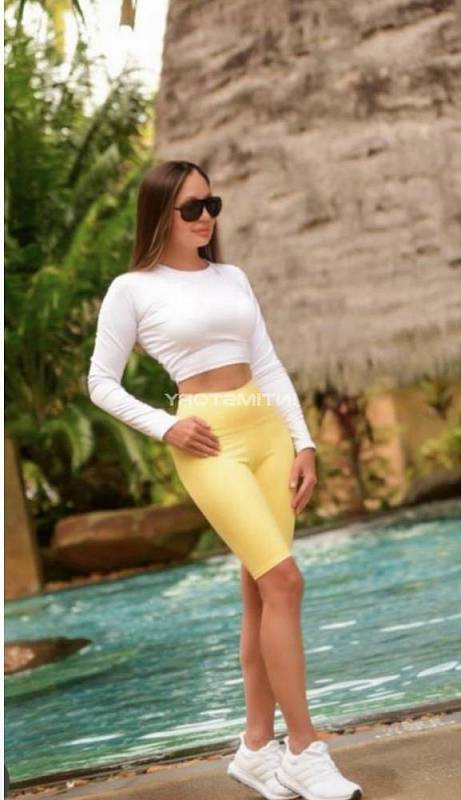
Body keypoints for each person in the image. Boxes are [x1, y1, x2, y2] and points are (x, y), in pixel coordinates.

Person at [87, 160, 362, 800]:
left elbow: (267, 363)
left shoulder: (232, 277)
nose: (206, 217)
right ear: (161, 214)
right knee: (284, 580)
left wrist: (304, 441)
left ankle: (257, 748)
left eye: (211, 204)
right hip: (208, 441)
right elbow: (100, 382)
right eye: (191, 208)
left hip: (267, 433)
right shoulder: (132, 289)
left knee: (261, 593)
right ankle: (305, 750)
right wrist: (166, 427)